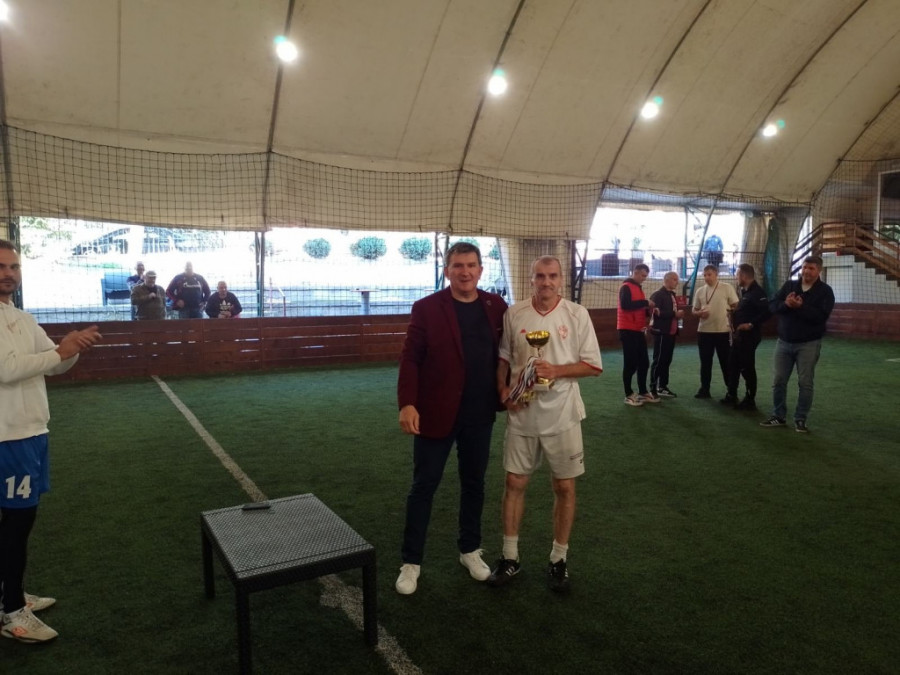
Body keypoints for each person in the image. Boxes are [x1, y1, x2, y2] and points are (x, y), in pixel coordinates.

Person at [0, 239, 102, 643]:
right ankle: (11, 612)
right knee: (16, 522)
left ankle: (9, 593)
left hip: (31, 432)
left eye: (14, 267)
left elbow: (54, 363)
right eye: (1, 266)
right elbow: (7, 369)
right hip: (8, 438)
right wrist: (59, 351)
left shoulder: (22, 318)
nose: (8, 273)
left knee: (18, 521)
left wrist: (72, 349)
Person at [395, 242, 507, 595]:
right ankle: (411, 562)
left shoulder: (496, 306)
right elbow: (410, 359)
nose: (465, 271)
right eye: (458, 265)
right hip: (435, 413)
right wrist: (407, 403)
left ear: (480, 270)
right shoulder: (427, 308)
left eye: (471, 265)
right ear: (447, 271)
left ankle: (469, 550)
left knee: (474, 484)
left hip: (480, 413)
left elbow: (508, 354)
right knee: (423, 486)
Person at [488, 256, 602, 593]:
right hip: (522, 412)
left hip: (563, 414)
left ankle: (558, 559)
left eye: (552, 276)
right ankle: (510, 557)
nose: (546, 282)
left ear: (561, 279)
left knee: (564, 486)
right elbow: (504, 358)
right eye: (540, 276)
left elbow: (593, 366)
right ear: (531, 278)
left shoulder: (577, 314)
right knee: (514, 482)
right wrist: (503, 390)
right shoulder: (515, 313)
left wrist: (557, 371)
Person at [760, 255, 835, 433]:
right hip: (784, 342)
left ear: (819, 271)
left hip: (808, 344)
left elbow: (820, 317)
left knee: (805, 383)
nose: (807, 271)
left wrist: (801, 307)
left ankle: (800, 419)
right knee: (778, 380)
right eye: (804, 267)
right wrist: (786, 304)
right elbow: (773, 305)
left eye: (811, 268)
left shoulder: (825, 291)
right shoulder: (789, 286)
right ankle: (778, 416)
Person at [723, 264, 770, 410]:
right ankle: (731, 394)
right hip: (739, 336)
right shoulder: (746, 292)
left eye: (737, 275)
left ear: (743, 276)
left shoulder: (757, 292)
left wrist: (751, 324)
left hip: (749, 337)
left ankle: (750, 399)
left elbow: (766, 312)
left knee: (747, 367)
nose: (736, 278)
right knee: (733, 364)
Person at [691, 265, 738, 399]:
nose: (706, 277)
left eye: (709, 274)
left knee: (726, 362)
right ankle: (704, 389)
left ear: (716, 274)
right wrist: (699, 313)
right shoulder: (700, 291)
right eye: (704, 275)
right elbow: (694, 310)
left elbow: (736, 305)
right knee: (705, 362)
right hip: (704, 331)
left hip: (723, 331)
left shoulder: (727, 287)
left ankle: (731, 391)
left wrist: (730, 313)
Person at [617, 263, 658, 406]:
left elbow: (639, 308)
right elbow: (626, 305)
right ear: (635, 272)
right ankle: (628, 394)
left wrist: (650, 309)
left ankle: (642, 392)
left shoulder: (638, 289)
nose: (644, 278)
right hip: (627, 329)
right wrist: (645, 302)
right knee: (631, 363)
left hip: (638, 329)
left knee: (644, 362)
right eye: (642, 275)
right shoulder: (626, 287)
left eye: (645, 276)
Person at [649, 271, 684, 398]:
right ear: (666, 280)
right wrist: (674, 314)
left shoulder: (672, 295)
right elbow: (655, 313)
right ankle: (653, 389)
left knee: (666, 360)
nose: (677, 282)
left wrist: (677, 315)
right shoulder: (658, 295)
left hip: (671, 332)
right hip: (661, 332)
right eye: (674, 279)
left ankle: (662, 386)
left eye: (677, 279)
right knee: (658, 360)